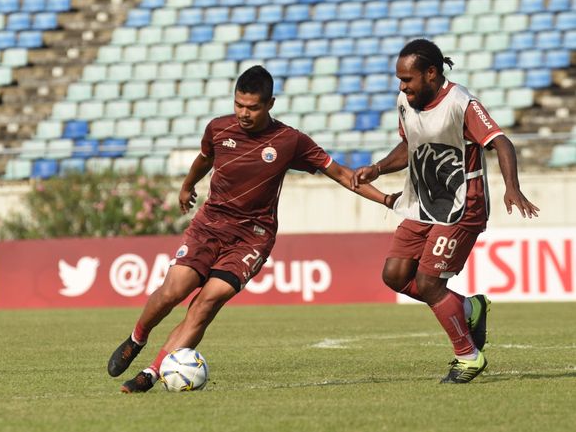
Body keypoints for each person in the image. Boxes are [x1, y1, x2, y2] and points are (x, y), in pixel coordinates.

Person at [108, 65, 397, 393]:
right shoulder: (218, 129)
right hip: (209, 225)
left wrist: (386, 199)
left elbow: (342, 174)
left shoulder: (290, 141)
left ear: (270, 104)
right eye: (239, 105)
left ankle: (152, 372)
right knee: (173, 291)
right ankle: (137, 338)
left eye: (253, 107)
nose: (244, 113)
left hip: (252, 238)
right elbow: (204, 159)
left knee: (206, 303)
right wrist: (187, 186)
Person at [352, 39, 540, 384]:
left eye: (407, 79)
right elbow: (410, 144)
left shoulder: (461, 103)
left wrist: (512, 187)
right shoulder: (405, 102)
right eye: (399, 80)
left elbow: (500, 140)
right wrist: (377, 168)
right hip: (422, 203)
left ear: (431, 73)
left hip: (461, 206)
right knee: (394, 275)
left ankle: (468, 356)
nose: (402, 86)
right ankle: (470, 308)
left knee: (428, 282)